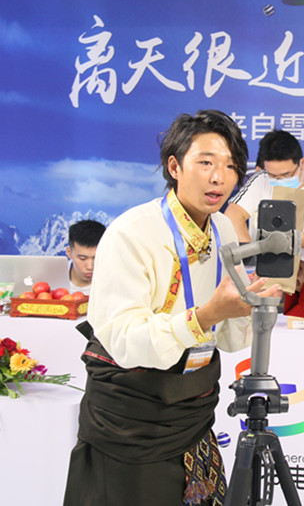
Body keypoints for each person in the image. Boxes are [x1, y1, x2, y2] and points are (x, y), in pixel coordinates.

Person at [63, 110, 279, 506]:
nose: (219, 178)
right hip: (133, 419)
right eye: (206, 163)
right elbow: (124, 341)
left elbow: (229, 342)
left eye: (231, 166)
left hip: (193, 410)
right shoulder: (132, 232)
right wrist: (208, 315)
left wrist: (249, 306)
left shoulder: (223, 229)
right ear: (174, 167)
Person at [225, 129, 304, 272]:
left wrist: (291, 239)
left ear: (302, 164)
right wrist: (248, 252)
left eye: (286, 175)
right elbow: (233, 214)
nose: (279, 181)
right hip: (260, 278)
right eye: (272, 175)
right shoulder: (260, 179)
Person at [65, 219, 106, 295]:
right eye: (82, 259)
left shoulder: (114, 280)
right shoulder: (51, 276)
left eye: (96, 258)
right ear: (69, 252)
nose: (90, 267)